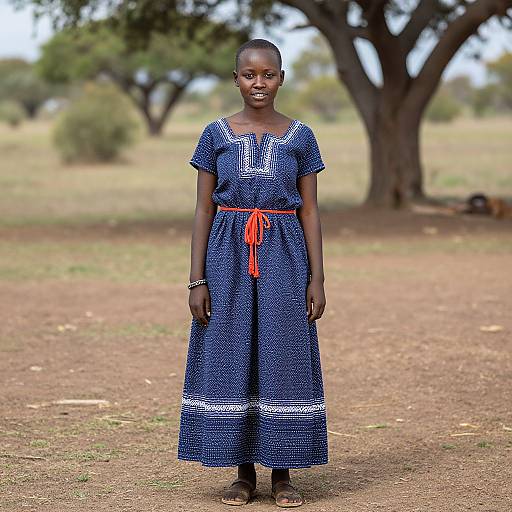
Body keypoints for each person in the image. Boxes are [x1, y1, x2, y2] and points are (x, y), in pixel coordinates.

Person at [177, 38, 328, 508]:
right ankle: (242, 474)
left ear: (281, 78)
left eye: (268, 74)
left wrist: (317, 278)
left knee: (281, 355)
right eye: (249, 75)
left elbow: (310, 211)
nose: (258, 83)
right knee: (231, 352)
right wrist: (196, 278)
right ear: (235, 78)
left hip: (285, 255)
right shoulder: (215, 134)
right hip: (227, 256)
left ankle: (282, 475)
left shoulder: (300, 136)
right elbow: (203, 208)